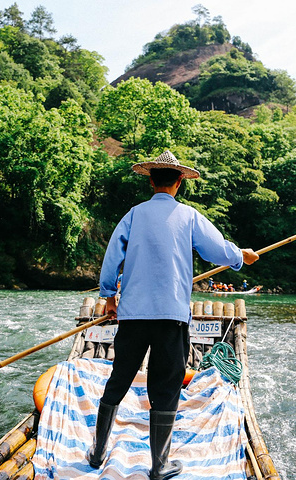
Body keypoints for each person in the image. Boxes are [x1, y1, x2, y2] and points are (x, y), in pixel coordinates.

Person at [88, 150, 259, 480]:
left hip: (133, 316)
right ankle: (158, 466)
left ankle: (96, 454)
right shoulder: (190, 217)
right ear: (180, 181)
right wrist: (242, 257)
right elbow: (218, 249)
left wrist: (109, 296)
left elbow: (112, 258)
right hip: (171, 319)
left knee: (119, 379)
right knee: (165, 389)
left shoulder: (133, 215)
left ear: (151, 181)